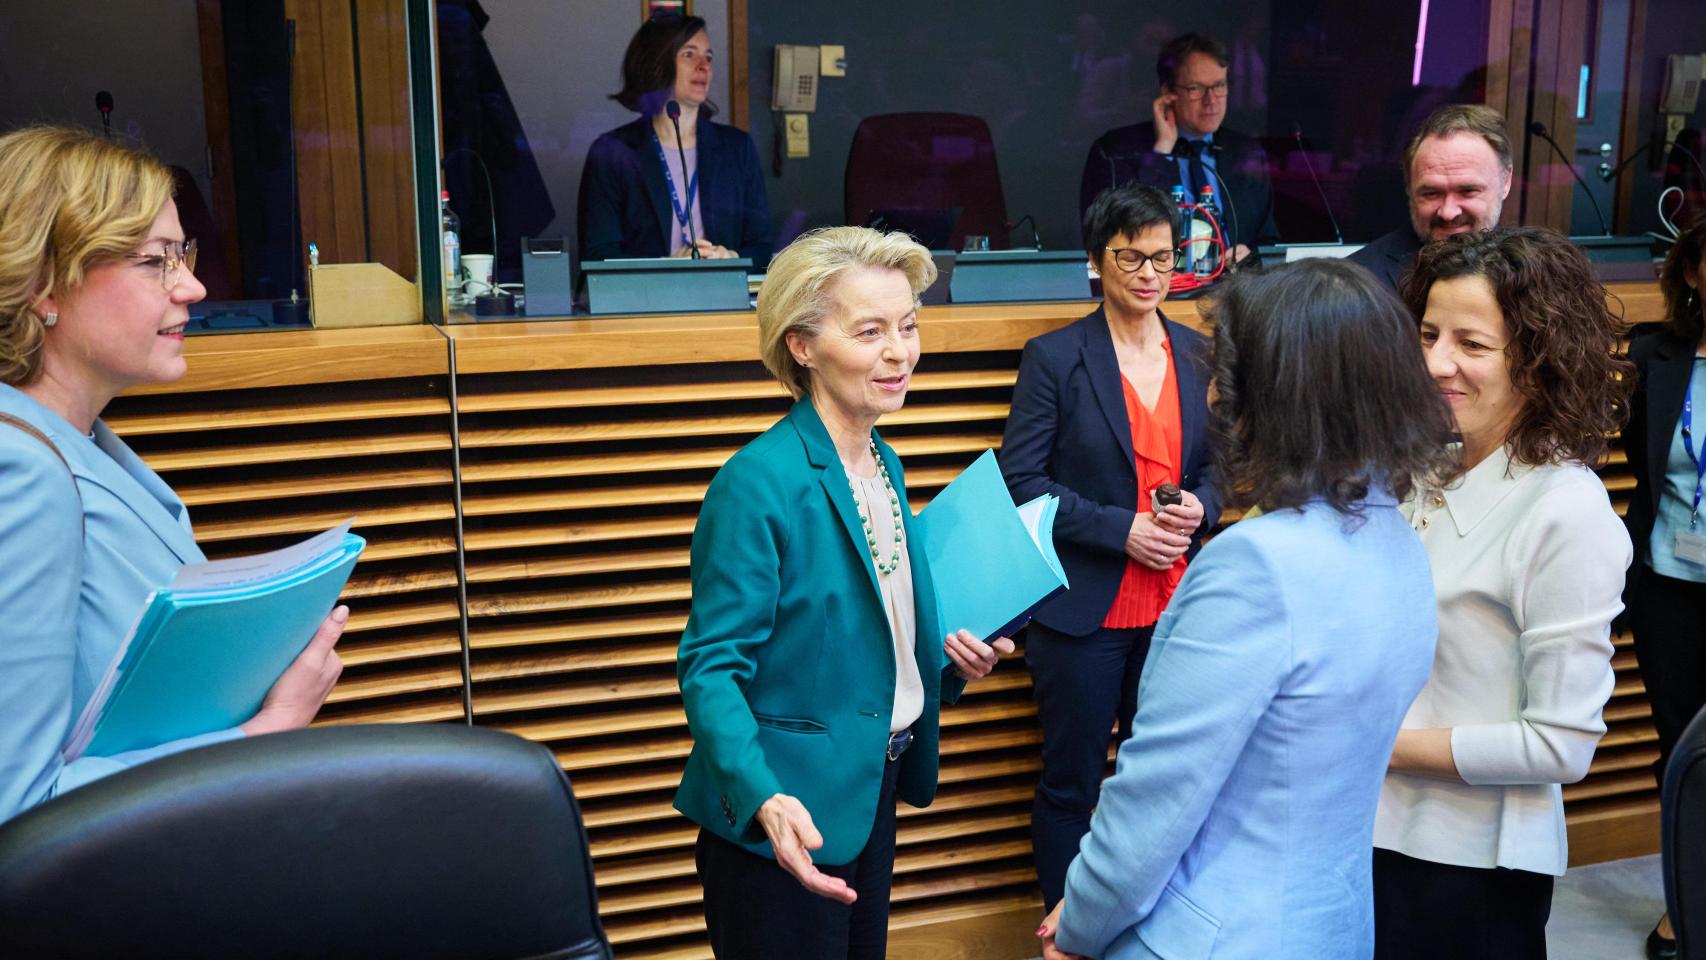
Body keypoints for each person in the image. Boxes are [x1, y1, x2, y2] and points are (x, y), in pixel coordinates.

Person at [1036, 258, 1455, 960]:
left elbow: (1157, 798)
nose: (1211, 395)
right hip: (1333, 926)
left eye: (1226, 377)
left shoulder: (1255, 564)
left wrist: (1080, 921)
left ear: (1271, 398)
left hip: (1210, 934)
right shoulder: (1400, 540)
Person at [673, 226, 1013, 960]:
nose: (900, 352)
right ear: (801, 345)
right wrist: (763, 798)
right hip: (783, 811)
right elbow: (710, 669)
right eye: (869, 332)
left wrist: (951, 662)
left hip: (867, 794)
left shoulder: (883, 461)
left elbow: (860, 638)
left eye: (908, 326)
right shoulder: (758, 482)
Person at [0, 126, 348, 824]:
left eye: (181, 256)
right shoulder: (22, 472)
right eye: (154, 262)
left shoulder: (77, 442)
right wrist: (266, 732)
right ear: (43, 285)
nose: (193, 285)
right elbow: (21, 807)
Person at [1375, 227, 1634, 960]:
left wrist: (1373, 742)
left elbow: (1561, 743)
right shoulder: (1425, 469)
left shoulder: (1564, 509)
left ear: (1539, 359)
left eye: (1471, 344)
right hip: (1370, 829)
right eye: (1428, 335)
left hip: (1467, 864)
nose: (1436, 363)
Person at [999, 183, 1219, 911]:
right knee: (1072, 785)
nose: (1150, 273)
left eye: (1163, 257)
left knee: (1166, 784)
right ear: (1097, 261)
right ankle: (1066, 936)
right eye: (1131, 257)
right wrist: (1119, 528)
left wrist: (1205, 506)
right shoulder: (1056, 357)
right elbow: (1021, 482)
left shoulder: (1201, 353)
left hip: (1177, 607)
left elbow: (1226, 466)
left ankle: (1149, 932)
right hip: (1084, 612)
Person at [1621, 215, 1706, 960]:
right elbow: (1642, 465)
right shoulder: (1657, 357)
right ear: (1693, 273)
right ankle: (1685, 899)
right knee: (1681, 748)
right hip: (1670, 588)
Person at [578, 15, 773, 267]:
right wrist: (666, 266)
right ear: (657, 63)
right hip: (646, 292)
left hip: (723, 288)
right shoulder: (612, 152)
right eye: (689, 55)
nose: (704, 66)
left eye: (709, 57)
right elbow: (598, 254)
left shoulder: (737, 148)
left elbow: (761, 245)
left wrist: (730, 259)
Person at [1079, 33, 1279, 261]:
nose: (1211, 100)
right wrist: (1162, 151)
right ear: (1168, 92)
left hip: (1235, 281)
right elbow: (1119, 235)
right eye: (1196, 88)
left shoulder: (1246, 152)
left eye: (1219, 86)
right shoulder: (1115, 151)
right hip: (1158, 281)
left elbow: (1268, 243)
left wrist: (1251, 257)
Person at [1348, 104, 1513, 290]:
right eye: (1431, 193)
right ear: (1409, 187)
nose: (1448, 212)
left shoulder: (1531, 275)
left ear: (1506, 181)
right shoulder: (1358, 285)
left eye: (1467, 191)